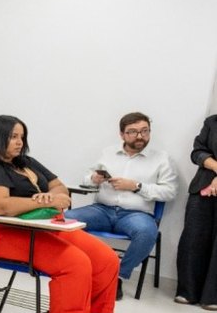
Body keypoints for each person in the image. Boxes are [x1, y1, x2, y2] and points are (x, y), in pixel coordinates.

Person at [0, 115, 119, 313]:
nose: (18, 142)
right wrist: (41, 199)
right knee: (75, 263)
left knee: (106, 259)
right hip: (0, 233)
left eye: (21, 137)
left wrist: (55, 196)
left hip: (43, 227)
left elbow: (59, 187)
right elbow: (0, 206)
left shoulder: (28, 162)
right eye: (13, 136)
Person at [65, 112, 177, 298]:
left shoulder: (161, 158)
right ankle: (81, 268)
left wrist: (137, 187)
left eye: (144, 131)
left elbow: (170, 191)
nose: (140, 136)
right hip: (101, 210)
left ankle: (115, 276)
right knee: (65, 220)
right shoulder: (108, 153)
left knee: (147, 233)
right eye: (133, 132)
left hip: (135, 215)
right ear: (122, 135)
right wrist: (94, 178)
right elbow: (86, 179)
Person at [175, 114, 217, 310]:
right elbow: (198, 152)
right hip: (203, 188)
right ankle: (187, 291)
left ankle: (212, 296)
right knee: (193, 239)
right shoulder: (212, 122)